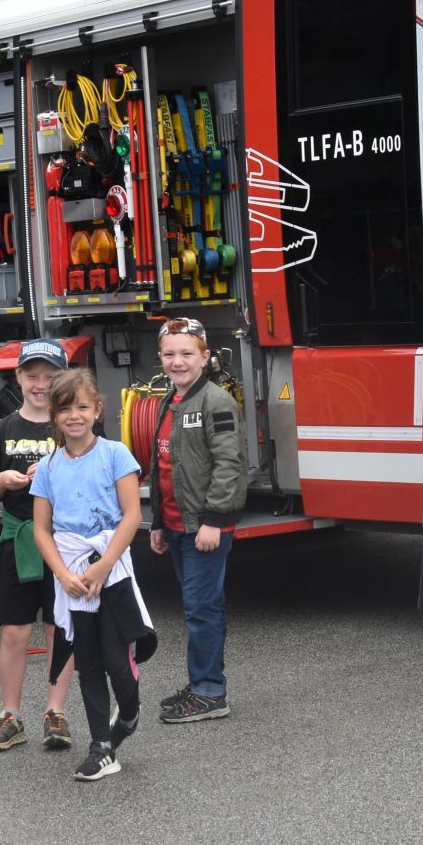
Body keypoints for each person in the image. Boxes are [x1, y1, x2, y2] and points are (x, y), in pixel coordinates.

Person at [31, 368, 151, 782]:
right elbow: (41, 529)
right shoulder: (47, 467)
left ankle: (131, 712)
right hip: (73, 577)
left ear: (98, 410)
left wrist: (103, 565)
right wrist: (62, 574)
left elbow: (132, 515)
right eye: (65, 409)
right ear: (54, 415)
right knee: (88, 663)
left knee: (118, 661)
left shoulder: (115, 454)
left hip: (110, 567)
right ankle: (102, 746)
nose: (74, 416)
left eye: (82, 407)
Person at [0, 338, 77, 753]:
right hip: (18, 541)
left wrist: (52, 471)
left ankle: (55, 710)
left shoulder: (72, 427)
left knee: (58, 628)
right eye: (32, 376)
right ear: (18, 377)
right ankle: (11, 715)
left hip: (62, 544)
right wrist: (5, 481)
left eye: (50, 378)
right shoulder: (2, 429)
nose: (40, 385)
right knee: (15, 632)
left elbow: (91, 480)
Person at [144, 318, 246, 725]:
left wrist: (213, 521)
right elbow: (162, 466)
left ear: (206, 356)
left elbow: (229, 464)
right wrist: (157, 522)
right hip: (176, 525)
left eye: (187, 353)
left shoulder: (216, 401)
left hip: (204, 527)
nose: (178, 361)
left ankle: (209, 692)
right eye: (169, 354)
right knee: (199, 607)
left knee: (201, 609)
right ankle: (203, 681)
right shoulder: (171, 401)